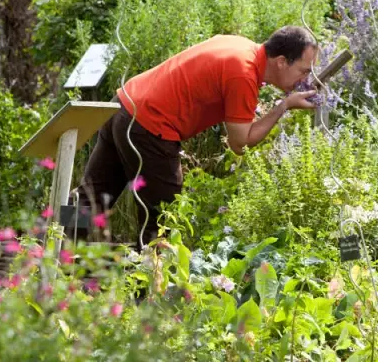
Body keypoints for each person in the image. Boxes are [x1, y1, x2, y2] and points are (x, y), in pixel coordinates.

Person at [73, 25, 318, 246]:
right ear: (282, 62)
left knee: (89, 196)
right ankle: (146, 290)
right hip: (150, 124)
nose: (304, 80)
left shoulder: (241, 46)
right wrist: (283, 107)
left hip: (124, 105)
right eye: (303, 71)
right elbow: (240, 143)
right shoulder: (243, 75)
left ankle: (52, 254)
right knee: (164, 215)